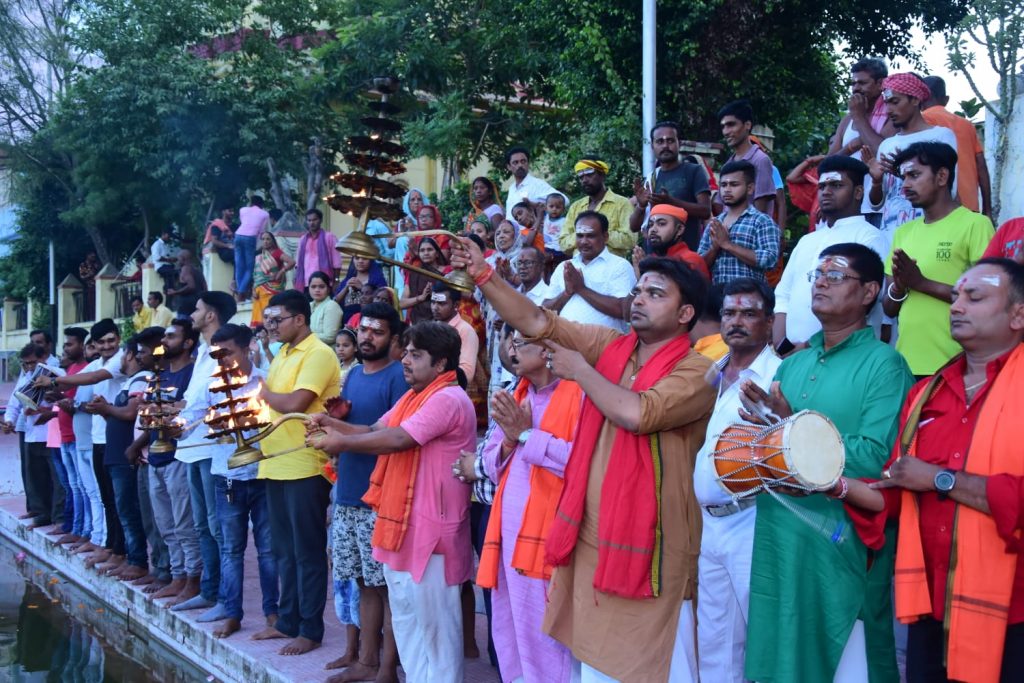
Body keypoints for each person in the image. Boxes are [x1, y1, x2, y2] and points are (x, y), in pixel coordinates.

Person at [451, 237, 717, 682]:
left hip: (656, 547)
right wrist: (484, 275)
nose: (639, 300)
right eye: (638, 291)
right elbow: (538, 321)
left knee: (656, 666)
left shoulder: (698, 371)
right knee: (592, 666)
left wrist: (580, 372)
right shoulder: (613, 347)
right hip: (596, 536)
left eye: (655, 294)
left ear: (685, 313)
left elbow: (639, 413)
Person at [737, 242, 913, 682]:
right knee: (781, 654)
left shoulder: (886, 365)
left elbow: (875, 456)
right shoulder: (792, 365)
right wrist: (766, 429)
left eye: (835, 276)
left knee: (847, 663)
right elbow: (771, 451)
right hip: (781, 534)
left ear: (870, 291)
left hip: (840, 539)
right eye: (817, 276)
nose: (820, 284)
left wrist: (792, 429)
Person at [871, 258, 1024, 683]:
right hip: (932, 606)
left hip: (1014, 610)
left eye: (974, 297)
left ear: (1018, 315)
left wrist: (942, 481)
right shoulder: (927, 392)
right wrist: (830, 482)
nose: (956, 306)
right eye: (955, 296)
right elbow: (899, 488)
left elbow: (926, 478)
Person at [309, 321, 476, 683]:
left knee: (436, 629)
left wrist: (341, 442)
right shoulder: (414, 396)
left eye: (416, 355)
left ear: (441, 363)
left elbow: (400, 439)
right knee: (407, 622)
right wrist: (332, 426)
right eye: (407, 353)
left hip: (433, 533)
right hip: (401, 526)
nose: (406, 361)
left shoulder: (448, 398)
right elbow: (375, 430)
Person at [469, 328, 581, 683]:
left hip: (550, 543)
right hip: (508, 539)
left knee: (547, 643)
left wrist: (527, 435)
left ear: (548, 350)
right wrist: (510, 440)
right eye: (511, 342)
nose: (511, 350)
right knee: (510, 633)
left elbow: (581, 463)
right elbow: (489, 464)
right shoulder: (515, 395)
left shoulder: (579, 395)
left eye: (519, 343)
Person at [312, 303, 408, 683]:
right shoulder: (352, 374)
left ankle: (387, 668)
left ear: (393, 339)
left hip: (379, 498)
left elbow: (389, 436)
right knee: (364, 582)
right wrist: (330, 426)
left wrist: (335, 429)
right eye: (364, 330)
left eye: (377, 331)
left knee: (386, 588)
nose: (367, 337)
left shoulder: (398, 377)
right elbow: (351, 429)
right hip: (349, 493)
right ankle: (367, 661)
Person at [691, 278, 781, 682]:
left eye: (749, 313)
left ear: (769, 322)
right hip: (710, 523)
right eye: (729, 313)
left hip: (753, 520)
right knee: (715, 640)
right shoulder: (709, 372)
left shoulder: (778, 376)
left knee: (763, 638)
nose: (736, 321)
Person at [252, 290, 340, 656]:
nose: (271, 326)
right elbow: (273, 408)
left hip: (305, 464)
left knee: (307, 552)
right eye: (269, 320)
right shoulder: (284, 353)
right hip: (275, 463)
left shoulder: (318, 353)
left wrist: (262, 392)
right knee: (283, 551)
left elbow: (295, 403)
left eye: (277, 319)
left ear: (300, 319)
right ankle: (287, 621)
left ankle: (310, 629)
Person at [188, 323, 279, 639]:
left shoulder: (266, 379)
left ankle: (272, 613)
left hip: (264, 474)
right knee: (231, 549)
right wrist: (173, 426)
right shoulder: (211, 385)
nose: (222, 360)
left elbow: (278, 418)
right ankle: (231, 613)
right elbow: (189, 420)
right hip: (227, 477)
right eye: (217, 355)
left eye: (227, 352)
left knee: (268, 549)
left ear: (248, 347)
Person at [882, 142, 994, 378]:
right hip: (906, 365)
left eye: (914, 175)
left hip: (956, 365)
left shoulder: (975, 225)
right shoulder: (904, 233)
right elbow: (889, 309)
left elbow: (989, 297)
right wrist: (900, 287)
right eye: (903, 177)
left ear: (942, 176)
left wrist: (921, 283)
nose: (905, 185)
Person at [171, 292, 238, 615]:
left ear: (211, 315)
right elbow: (193, 399)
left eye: (197, 309)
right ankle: (209, 590)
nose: (192, 315)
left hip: (213, 450)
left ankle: (226, 598)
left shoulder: (226, 350)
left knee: (216, 526)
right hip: (190, 447)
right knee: (201, 525)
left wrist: (181, 412)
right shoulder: (201, 351)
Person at [774, 155, 887, 348]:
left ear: (858, 192)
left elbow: (866, 304)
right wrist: (780, 344)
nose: (826, 192)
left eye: (836, 185)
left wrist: (809, 347)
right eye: (822, 186)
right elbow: (783, 295)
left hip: (846, 354)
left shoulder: (869, 238)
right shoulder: (807, 240)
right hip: (792, 355)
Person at [129, 320, 201, 605]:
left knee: (184, 524)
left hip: (178, 456)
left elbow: (190, 411)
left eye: (171, 336)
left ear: (188, 343)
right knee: (165, 524)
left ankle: (191, 579)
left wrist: (169, 411)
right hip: (154, 457)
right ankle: (176, 575)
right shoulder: (160, 375)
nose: (165, 341)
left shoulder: (191, 374)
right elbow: (148, 413)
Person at [84, 334, 152, 582]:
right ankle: (123, 554)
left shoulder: (141, 380)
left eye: (123, 354)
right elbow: (117, 415)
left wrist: (107, 408)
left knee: (128, 509)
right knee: (118, 506)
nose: (120, 359)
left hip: (125, 456)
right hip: (115, 454)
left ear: (129, 355)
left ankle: (137, 560)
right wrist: (104, 409)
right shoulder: (128, 382)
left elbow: (131, 413)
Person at [866, 72, 958, 251]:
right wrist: (876, 181)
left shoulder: (941, 136)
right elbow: (876, 204)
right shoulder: (887, 145)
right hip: (890, 238)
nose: (889, 110)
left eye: (895, 102)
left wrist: (902, 173)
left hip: (930, 234)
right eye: (886, 103)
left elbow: (950, 191)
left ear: (915, 100)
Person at [544, 211, 637, 333]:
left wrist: (581, 289)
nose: (584, 241)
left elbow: (623, 311)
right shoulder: (564, 266)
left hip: (606, 343)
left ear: (605, 237)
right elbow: (545, 311)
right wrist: (566, 293)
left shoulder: (620, 266)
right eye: (580, 236)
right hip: (564, 341)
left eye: (590, 236)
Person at [630, 121, 712, 249]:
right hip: (653, 255)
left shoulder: (694, 171)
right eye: (660, 141)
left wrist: (671, 202)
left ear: (679, 143)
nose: (665, 146)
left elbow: (705, 211)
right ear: (652, 146)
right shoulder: (652, 178)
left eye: (670, 141)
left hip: (685, 254)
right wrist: (641, 206)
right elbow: (634, 227)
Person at [6, 344, 62, 530]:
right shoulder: (26, 376)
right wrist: (9, 420)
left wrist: (45, 410)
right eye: (25, 363)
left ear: (43, 358)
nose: (29, 367)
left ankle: (59, 518)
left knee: (57, 478)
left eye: (32, 363)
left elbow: (66, 401)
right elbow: (14, 403)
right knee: (36, 477)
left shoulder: (57, 374)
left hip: (52, 434)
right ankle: (41, 514)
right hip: (31, 434)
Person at [698, 160, 780, 284]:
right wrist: (714, 249)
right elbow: (699, 265)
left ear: (750, 188)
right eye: (723, 185)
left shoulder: (762, 221)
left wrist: (728, 245)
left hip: (749, 294)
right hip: (717, 294)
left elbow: (770, 260)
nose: (727, 190)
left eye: (734, 184)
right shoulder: (714, 223)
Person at [922, 75, 991, 215]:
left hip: (941, 207)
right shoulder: (967, 125)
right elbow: (981, 167)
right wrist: (987, 209)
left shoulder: (922, 121)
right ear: (946, 100)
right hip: (970, 206)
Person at [559, 158, 634, 258]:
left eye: (589, 175)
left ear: (602, 176)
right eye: (581, 177)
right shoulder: (576, 207)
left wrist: (598, 233)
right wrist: (586, 234)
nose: (585, 180)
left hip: (610, 265)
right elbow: (563, 243)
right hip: (579, 265)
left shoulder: (622, 203)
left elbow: (630, 240)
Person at [828, 57, 895, 160]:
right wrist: (853, 146)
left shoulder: (892, 114)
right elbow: (829, 161)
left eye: (862, 83)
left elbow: (882, 153)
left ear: (880, 84)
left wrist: (859, 117)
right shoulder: (847, 119)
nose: (856, 88)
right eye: (853, 84)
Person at [718, 100, 775, 215]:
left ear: (747, 125)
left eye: (731, 125)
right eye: (723, 126)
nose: (726, 132)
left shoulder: (760, 160)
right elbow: (723, 207)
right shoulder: (728, 164)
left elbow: (760, 211)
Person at [634, 204, 710, 280]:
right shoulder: (651, 259)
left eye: (661, 224)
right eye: (650, 225)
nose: (653, 229)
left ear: (680, 229)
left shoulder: (691, 260)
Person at [430, 282, 479, 385]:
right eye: (433, 302)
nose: (435, 307)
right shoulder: (430, 328)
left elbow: (466, 373)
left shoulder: (465, 331)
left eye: (441, 303)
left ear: (456, 305)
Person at [251, 231, 295, 326]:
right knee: (260, 315)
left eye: (268, 239)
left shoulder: (277, 253)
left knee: (271, 313)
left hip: (273, 289)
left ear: (273, 241)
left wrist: (281, 272)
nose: (265, 241)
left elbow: (292, 262)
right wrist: (253, 289)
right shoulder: (259, 255)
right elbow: (256, 275)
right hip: (259, 290)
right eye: (263, 239)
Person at [504, 146, 560, 218]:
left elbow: (564, 200)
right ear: (509, 167)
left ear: (528, 163)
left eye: (523, 161)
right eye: (515, 162)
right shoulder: (512, 188)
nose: (520, 165)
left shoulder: (537, 184)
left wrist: (537, 205)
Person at [401, 238, 447, 324]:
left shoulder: (447, 271)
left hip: (441, 323)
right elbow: (401, 304)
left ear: (437, 253)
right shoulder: (414, 273)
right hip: (417, 323)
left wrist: (434, 294)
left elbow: (452, 298)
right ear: (419, 254)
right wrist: (421, 297)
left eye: (429, 249)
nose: (426, 253)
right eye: (422, 250)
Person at [293, 208, 341, 289]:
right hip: (306, 282)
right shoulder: (303, 239)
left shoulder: (329, 237)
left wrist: (336, 280)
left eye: (315, 220)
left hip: (324, 282)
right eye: (309, 220)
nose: (312, 223)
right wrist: (295, 278)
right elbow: (298, 263)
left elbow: (337, 262)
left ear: (321, 220)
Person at [234, 195, 269, 301]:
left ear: (251, 203)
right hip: (250, 237)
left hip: (238, 235)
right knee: (250, 268)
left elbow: (244, 222)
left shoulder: (242, 210)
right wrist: (259, 245)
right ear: (261, 205)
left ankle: (240, 290)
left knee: (239, 266)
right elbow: (262, 231)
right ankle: (241, 292)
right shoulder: (265, 214)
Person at [335, 256, 387, 326]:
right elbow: (335, 302)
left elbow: (382, 303)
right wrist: (346, 288)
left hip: (368, 321)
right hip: (345, 323)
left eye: (365, 258)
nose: (360, 261)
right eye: (357, 258)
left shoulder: (378, 280)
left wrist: (362, 288)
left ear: (371, 260)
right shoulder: (348, 279)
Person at [308, 270, 344, 346]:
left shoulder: (331, 306)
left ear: (328, 289)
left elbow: (330, 337)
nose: (317, 290)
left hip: (325, 350)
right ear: (309, 289)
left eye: (321, 287)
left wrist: (304, 336)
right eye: (313, 287)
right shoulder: (308, 305)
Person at [167, 249, 207, 315]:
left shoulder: (185, 269)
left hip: (187, 308)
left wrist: (175, 292)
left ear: (183, 258)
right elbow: (205, 287)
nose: (177, 261)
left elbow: (191, 286)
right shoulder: (197, 269)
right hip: (198, 305)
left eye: (178, 258)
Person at [151, 228, 177, 293]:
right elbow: (157, 257)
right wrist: (168, 259)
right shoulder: (157, 244)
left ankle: (168, 290)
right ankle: (169, 290)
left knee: (175, 273)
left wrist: (172, 259)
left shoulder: (166, 245)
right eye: (168, 235)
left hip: (168, 266)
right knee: (172, 273)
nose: (169, 237)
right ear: (163, 234)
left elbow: (168, 256)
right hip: (161, 266)